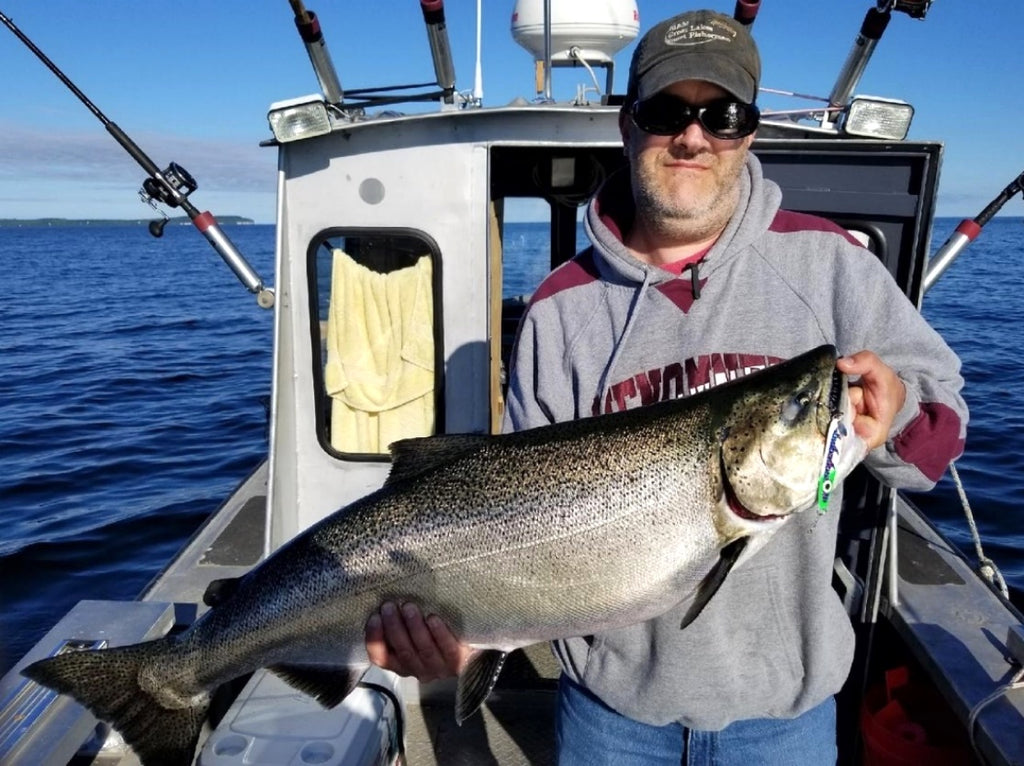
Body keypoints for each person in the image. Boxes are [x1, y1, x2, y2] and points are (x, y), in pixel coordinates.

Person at [364, 8, 968, 764]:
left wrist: (899, 413)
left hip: (785, 717)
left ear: (749, 133)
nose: (693, 136)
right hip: (609, 719)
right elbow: (519, 521)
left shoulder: (832, 265)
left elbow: (937, 445)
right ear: (628, 125)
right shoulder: (559, 307)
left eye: (722, 114)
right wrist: (467, 630)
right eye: (666, 111)